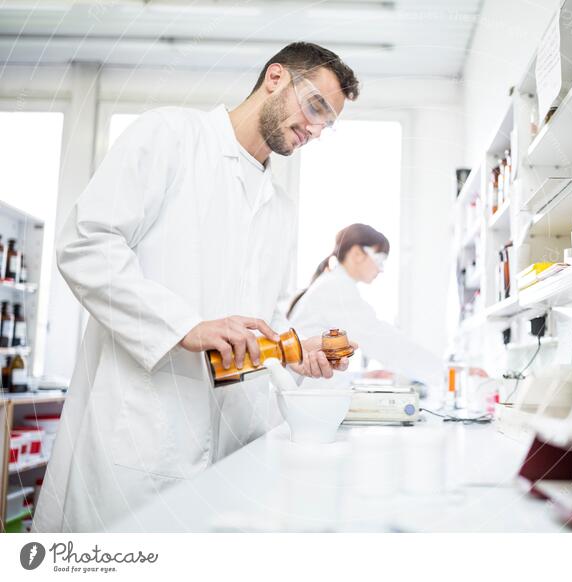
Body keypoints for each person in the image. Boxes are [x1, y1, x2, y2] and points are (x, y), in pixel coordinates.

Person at [34, 43, 360, 533]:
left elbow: (262, 316)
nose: (315, 129)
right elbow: (85, 243)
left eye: (327, 124)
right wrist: (184, 326)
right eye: (315, 106)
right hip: (143, 433)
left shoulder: (280, 206)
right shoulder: (170, 136)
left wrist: (296, 349)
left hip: (235, 444)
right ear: (275, 77)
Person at [288, 224, 444, 388]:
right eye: (380, 259)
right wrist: (442, 372)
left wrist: (360, 376)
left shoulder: (333, 283)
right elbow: (381, 339)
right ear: (356, 254)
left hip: (307, 387)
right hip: (305, 393)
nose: (381, 269)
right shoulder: (337, 287)